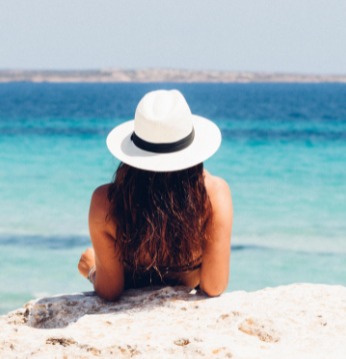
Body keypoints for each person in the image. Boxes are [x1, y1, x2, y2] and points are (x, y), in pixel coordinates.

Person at [78, 89, 233, 301]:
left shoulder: (106, 202)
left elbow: (110, 291)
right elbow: (214, 286)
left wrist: (92, 269)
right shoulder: (214, 195)